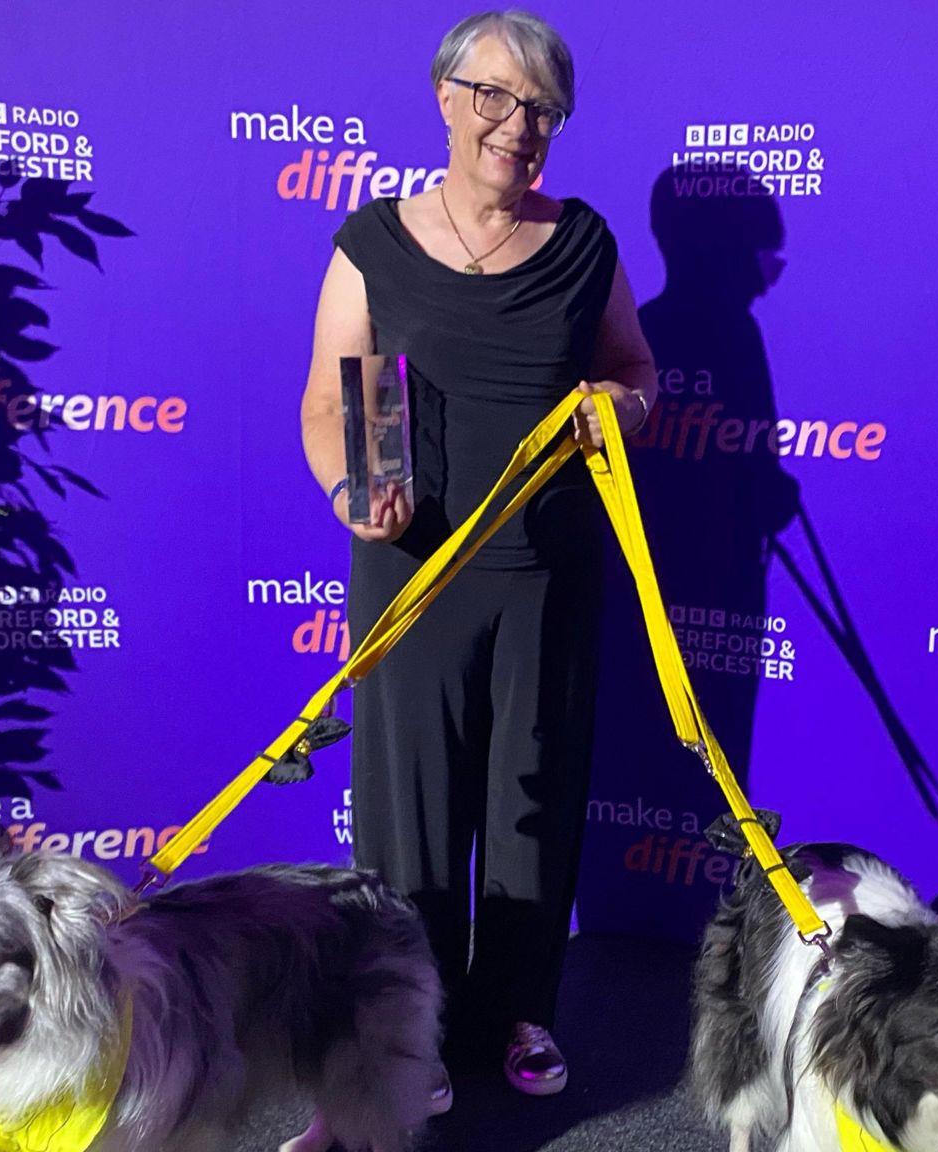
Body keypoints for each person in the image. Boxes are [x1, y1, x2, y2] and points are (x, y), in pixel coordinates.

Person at [298, 9, 657, 1103]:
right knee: (408, 817)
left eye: (542, 107)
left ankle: (518, 1016)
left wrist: (621, 412)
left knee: (530, 807)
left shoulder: (585, 242)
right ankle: (412, 1033)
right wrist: (351, 489)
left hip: (544, 577)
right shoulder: (371, 239)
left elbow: (637, 371)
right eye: (495, 96)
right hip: (410, 575)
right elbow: (328, 397)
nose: (517, 125)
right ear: (447, 96)